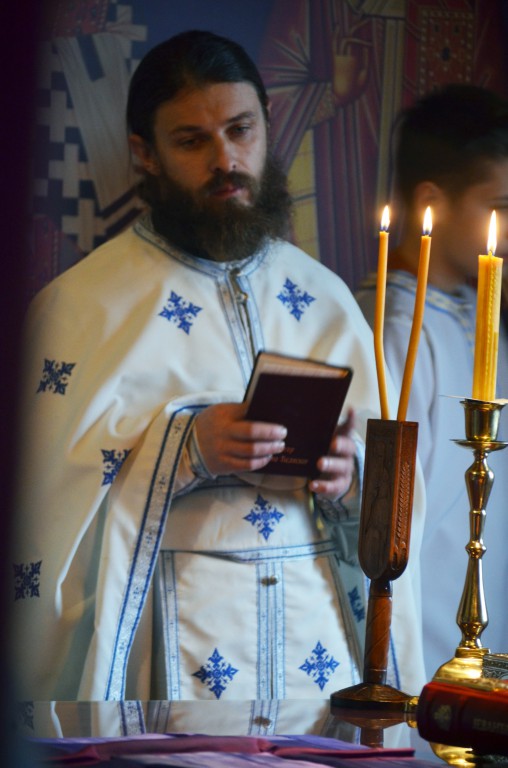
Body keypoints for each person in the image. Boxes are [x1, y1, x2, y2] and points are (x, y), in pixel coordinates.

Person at [11, 30, 426, 703]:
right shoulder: (84, 309)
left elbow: (394, 494)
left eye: (240, 129)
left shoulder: (324, 299)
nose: (225, 160)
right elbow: (46, 510)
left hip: (318, 651)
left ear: (268, 119)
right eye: (191, 141)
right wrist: (184, 449)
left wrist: (353, 481)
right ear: (145, 152)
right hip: (166, 656)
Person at [356, 83, 508, 680]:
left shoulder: (477, 310)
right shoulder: (395, 331)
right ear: (432, 201)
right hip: (422, 646)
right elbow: (387, 515)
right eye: (498, 205)